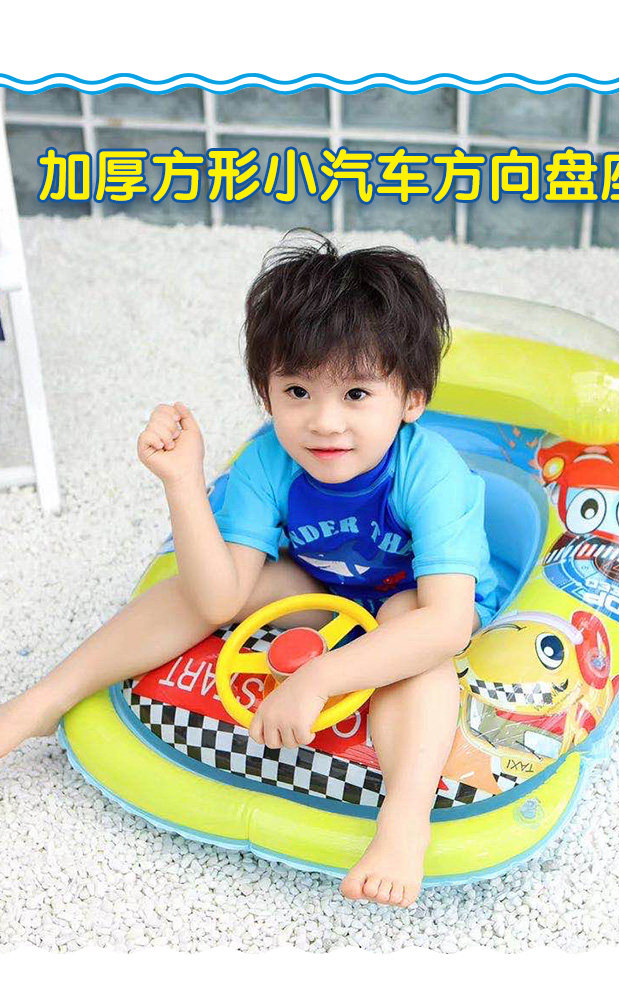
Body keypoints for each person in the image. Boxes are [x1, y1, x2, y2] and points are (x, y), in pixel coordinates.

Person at [0, 232, 500, 908]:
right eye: (297, 391)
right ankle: (41, 703)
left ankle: (404, 820)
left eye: (356, 394)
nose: (324, 422)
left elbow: (445, 624)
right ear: (266, 394)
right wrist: (184, 482)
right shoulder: (268, 460)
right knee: (195, 592)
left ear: (411, 399)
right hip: (325, 585)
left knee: (408, 624)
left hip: (421, 599)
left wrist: (317, 679)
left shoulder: (431, 471)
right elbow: (217, 598)